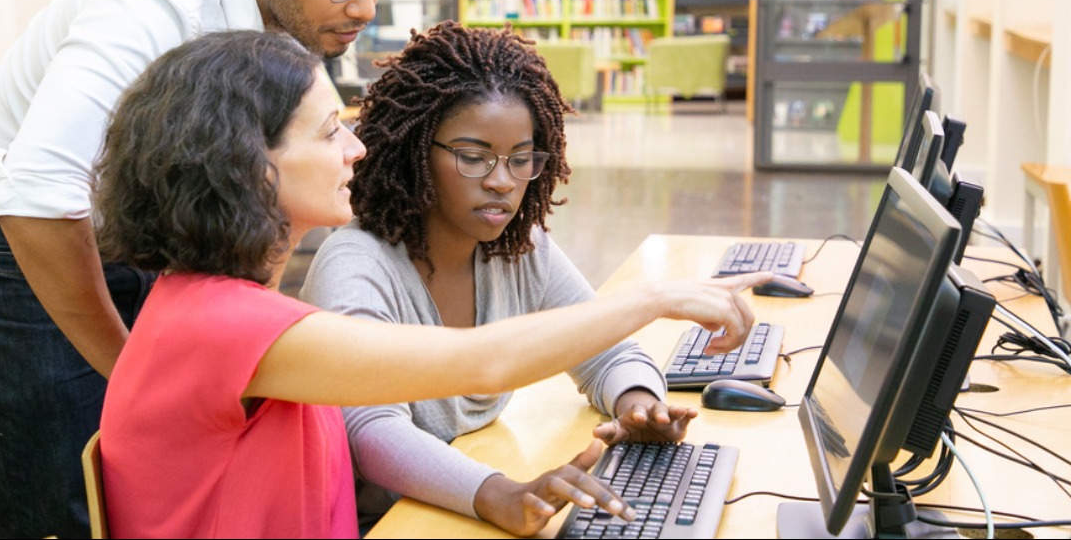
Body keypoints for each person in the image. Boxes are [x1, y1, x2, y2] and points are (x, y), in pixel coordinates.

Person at [95, 29, 766, 538]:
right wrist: (655, 297)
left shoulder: (210, 305)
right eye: (330, 133)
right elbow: (481, 360)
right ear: (250, 163)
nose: (357, 148)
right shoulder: (227, 325)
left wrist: (635, 396)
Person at [0, 0, 403, 537]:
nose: (366, 8)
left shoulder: (290, 1)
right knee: (74, 503)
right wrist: (135, 375)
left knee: (151, 486)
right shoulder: (156, 0)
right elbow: (34, 195)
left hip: (120, 233)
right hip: (10, 238)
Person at [298, 21, 762, 536]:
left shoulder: (518, 246)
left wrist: (639, 406)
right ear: (415, 151)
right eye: (474, 158)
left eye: (521, 160)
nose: (502, 182)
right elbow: (370, 428)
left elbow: (604, 351)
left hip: (468, 508)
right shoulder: (356, 264)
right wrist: (495, 493)